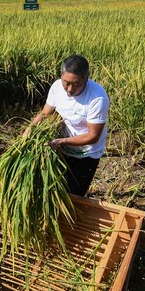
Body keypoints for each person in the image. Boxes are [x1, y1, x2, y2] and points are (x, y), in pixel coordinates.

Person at [30, 55, 109, 196]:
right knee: (53, 191)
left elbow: (93, 136)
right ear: (61, 76)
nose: (70, 89)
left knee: (73, 196)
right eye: (66, 82)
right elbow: (45, 113)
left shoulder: (97, 98)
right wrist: (30, 130)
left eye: (76, 84)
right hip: (63, 150)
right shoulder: (56, 87)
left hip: (86, 154)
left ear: (86, 79)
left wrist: (61, 142)